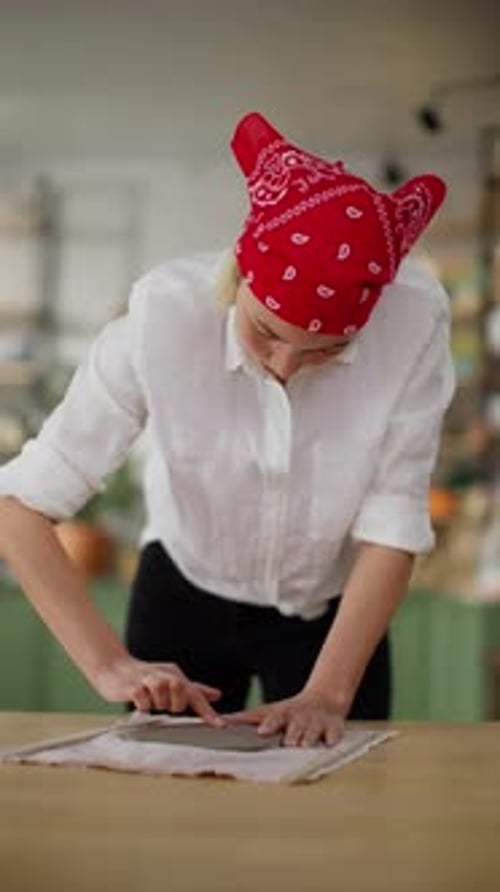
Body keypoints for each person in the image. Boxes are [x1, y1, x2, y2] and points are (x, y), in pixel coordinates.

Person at [0, 112, 454, 746]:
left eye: (326, 350)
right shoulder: (160, 320)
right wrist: (109, 666)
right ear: (236, 277)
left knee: (343, 806)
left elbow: (392, 523)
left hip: (332, 612)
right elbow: (20, 506)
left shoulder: (413, 325)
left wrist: (327, 693)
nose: (286, 366)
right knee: (170, 812)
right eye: (266, 332)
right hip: (184, 589)